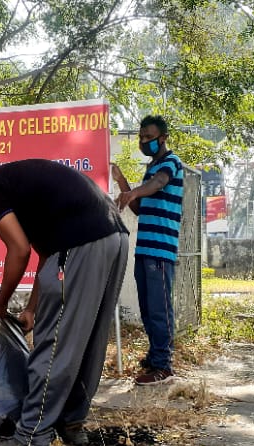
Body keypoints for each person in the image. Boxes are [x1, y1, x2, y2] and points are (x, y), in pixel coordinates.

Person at [0, 156, 129, 446]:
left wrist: (0, 302)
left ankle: (31, 439)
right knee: (88, 339)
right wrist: (31, 308)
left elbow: (20, 249)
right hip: (113, 236)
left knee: (55, 344)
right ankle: (70, 421)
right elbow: (46, 254)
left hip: (82, 241)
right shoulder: (19, 186)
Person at [111, 115, 184, 385]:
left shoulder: (170, 163)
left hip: (160, 250)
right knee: (147, 307)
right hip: (145, 248)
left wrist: (135, 191)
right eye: (141, 137)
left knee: (159, 308)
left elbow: (159, 183)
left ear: (163, 138)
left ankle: (164, 366)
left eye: (149, 137)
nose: (143, 142)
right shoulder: (150, 168)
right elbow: (139, 208)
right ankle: (155, 357)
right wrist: (123, 183)